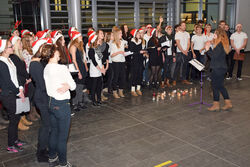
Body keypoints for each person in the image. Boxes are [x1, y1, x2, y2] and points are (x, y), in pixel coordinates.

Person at [43, 45, 76, 167]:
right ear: (54, 53)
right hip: (62, 105)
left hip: (51, 103)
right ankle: (63, 163)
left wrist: (67, 85)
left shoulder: (46, 68)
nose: (59, 54)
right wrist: (68, 86)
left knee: (54, 132)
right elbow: (73, 85)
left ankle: (52, 156)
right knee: (62, 137)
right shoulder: (61, 68)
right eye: (57, 52)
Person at [0, 39, 26, 153]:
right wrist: (18, 92)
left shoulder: (9, 59)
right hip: (8, 95)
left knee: (16, 118)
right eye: (10, 47)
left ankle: (15, 140)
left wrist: (20, 87)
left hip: (14, 92)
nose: (12, 48)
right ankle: (10, 144)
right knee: (13, 119)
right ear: (4, 50)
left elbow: (16, 77)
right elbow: (8, 81)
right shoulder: (1, 63)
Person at [29, 38, 50, 162]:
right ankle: (41, 153)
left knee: (46, 125)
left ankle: (43, 147)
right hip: (41, 96)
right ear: (39, 48)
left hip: (42, 95)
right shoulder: (35, 64)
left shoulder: (39, 62)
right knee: (46, 125)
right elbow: (42, 85)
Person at [9, 36, 33, 131]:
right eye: (19, 43)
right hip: (19, 82)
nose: (21, 45)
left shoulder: (19, 56)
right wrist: (27, 77)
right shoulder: (14, 57)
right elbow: (19, 71)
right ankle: (19, 121)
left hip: (23, 81)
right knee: (19, 101)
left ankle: (23, 118)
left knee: (23, 100)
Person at [205, 28, 232, 111]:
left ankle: (216, 105)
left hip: (218, 68)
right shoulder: (221, 44)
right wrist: (211, 43)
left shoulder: (219, 45)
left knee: (215, 86)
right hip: (221, 68)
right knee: (220, 86)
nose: (214, 35)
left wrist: (207, 49)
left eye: (215, 34)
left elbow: (213, 56)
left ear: (219, 35)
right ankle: (228, 103)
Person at [69, 31, 88, 112]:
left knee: (81, 86)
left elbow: (83, 58)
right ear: (76, 37)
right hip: (77, 67)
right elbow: (74, 60)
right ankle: (75, 103)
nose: (81, 37)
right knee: (77, 86)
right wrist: (78, 71)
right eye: (80, 36)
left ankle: (80, 102)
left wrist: (85, 67)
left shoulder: (80, 46)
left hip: (81, 66)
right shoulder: (73, 46)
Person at [88, 31, 107, 106]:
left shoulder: (97, 49)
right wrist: (101, 69)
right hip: (94, 71)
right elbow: (94, 61)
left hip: (99, 71)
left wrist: (103, 68)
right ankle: (93, 100)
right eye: (97, 39)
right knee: (94, 87)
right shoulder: (91, 50)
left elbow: (101, 60)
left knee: (99, 86)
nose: (99, 40)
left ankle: (99, 99)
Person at [110, 27, 127, 98]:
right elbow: (111, 55)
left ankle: (121, 91)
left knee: (123, 77)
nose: (121, 34)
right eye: (120, 33)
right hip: (116, 62)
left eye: (121, 33)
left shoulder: (123, 42)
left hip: (122, 61)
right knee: (116, 77)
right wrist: (119, 52)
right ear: (117, 35)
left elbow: (123, 51)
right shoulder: (113, 44)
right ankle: (114, 91)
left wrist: (124, 53)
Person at [129, 29, 146, 96]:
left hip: (140, 59)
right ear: (135, 35)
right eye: (138, 33)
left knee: (140, 74)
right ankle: (132, 89)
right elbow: (131, 51)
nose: (140, 34)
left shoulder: (140, 41)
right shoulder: (132, 41)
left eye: (139, 33)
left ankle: (138, 88)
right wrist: (139, 52)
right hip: (135, 60)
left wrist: (143, 52)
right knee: (134, 75)